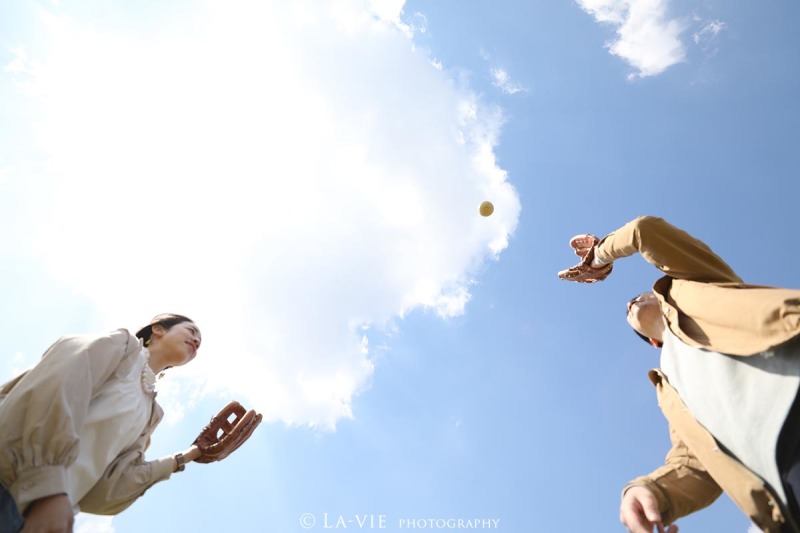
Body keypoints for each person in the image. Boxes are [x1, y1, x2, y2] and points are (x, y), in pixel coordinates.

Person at [558, 216, 800, 533]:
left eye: (641, 295)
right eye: (627, 312)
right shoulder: (670, 390)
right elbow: (695, 468)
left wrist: (600, 257)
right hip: (787, 471)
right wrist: (649, 490)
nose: (631, 302)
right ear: (652, 341)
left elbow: (646, 231)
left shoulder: (699, 284)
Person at [0, 314, 245, 533]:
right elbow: (58, 384)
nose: (197, 341)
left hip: (37, 518)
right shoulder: (122, 346)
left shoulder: (151, 412)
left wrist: (187, 456)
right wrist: (48, 486)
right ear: (158, 329)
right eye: (191, 331)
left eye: (199, 342)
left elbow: (105, 491)